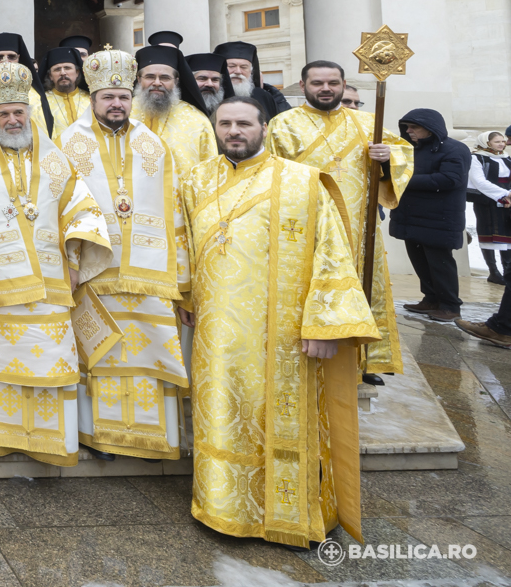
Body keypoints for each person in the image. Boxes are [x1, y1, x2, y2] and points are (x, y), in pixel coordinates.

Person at [180, 95, 378, 546]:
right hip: (215, 332)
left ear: (264, 127)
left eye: (243, 124)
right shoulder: (195, 179)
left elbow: (333, 254)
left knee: (278, 418)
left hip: (283, 333)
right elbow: (182, 243)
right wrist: (184, 292)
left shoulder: (303, 182)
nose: (233, 131)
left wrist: (324, 326)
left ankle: (287, 515)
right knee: (220, 412)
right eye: (225, 124)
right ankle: (220, 506)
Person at [0, 63, 111, 465]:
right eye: (4, 114)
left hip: (50, 278)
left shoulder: (57, 162)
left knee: (49, 354)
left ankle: (49, 439)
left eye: (18, 113)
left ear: (28, 114)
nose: (12, 120)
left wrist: (72, 259)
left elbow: (78, 209)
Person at [58, 48, 188, 461]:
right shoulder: (68, 143)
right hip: (96, 269)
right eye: (107, 97)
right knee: (98, 353)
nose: (116, 104)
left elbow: (174, 211)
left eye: (122, 97)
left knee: (148, 352)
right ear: (92, 99)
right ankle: (98, 437)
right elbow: (60, 210)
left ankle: (148, 438)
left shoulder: (154, 145)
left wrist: (182, 281)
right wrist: (71, 264)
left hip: (148, 272)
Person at [266, 61, 413, 378]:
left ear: (343, 85)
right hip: (305, 228)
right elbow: (270, 176)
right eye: (317, 83)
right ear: (303, 86)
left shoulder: (367, 123)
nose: (325, 88)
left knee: (362, 285)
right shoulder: (283, 125)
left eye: (333, 82)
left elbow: (402, 153)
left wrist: (388, 159)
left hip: (358, 229)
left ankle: (362, 358)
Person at [390, 109, 470, 323]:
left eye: (414, 127)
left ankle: (450, 305)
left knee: (439, 263)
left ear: (430, 127)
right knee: (420, 261)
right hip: (411, 216)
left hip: (439, 218)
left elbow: (449, 179)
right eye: (406, 128)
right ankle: (431, 298)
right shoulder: (409, 149)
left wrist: (404, 180)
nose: (409, 131)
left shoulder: (455, 149)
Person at [132, 45, 217, 180]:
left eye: (165, 78)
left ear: (176, 81)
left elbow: (209, 175)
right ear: (139, 79)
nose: (157, 83)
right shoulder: (123, 112)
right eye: (150, 77)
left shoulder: (197, 121)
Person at [468, 132, 511, 284]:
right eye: (497, 141)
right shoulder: (477, 158)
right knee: (489, 233)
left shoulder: (506, 158)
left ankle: (508, 271)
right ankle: (493, 272)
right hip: (487, 201)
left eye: (503, 141)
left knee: (508, 234)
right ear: (487, 143)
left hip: (508, 201)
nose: (501, 144)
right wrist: (505, 194)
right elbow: (479, 181)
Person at [215, 41, 290, 117]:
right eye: (231, 66)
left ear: (251, 71)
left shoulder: (262, 96)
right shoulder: (211, 96)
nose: (238, 71)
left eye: (243, 67)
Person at [39, 45, 89, 136]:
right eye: (57, 69)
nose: (63, 73)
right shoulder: (40, 102)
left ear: (77, 73)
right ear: (50, 76)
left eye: (67, 68)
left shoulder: (91, 99)